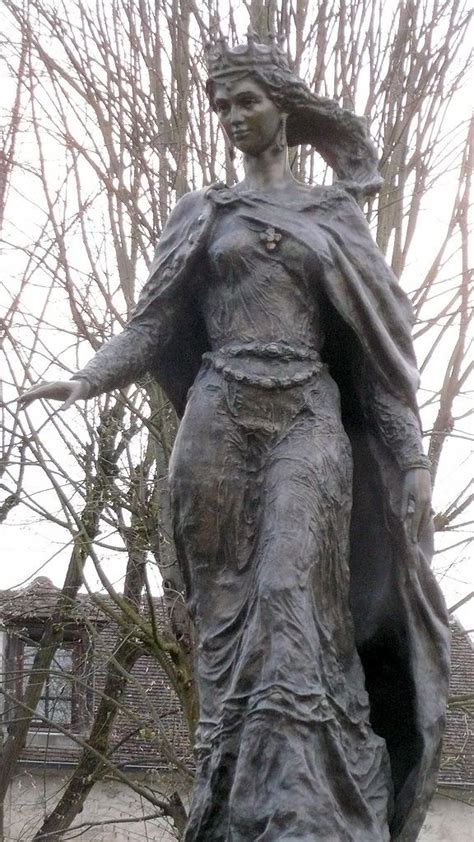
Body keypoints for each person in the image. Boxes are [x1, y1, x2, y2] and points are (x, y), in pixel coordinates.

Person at [21, 35, 449, 842]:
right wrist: (84, 377)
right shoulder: (203, 213)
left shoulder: (334, 217)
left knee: (293, 598)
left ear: (283, 105)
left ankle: (311, 811)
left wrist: (414, 458)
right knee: (222, 623)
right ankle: (231, 802)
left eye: (245, 100)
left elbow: (379, 364)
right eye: (221, 106)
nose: (232, 117)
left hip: (307, 421)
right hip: (218, 421)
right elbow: (148, 330)